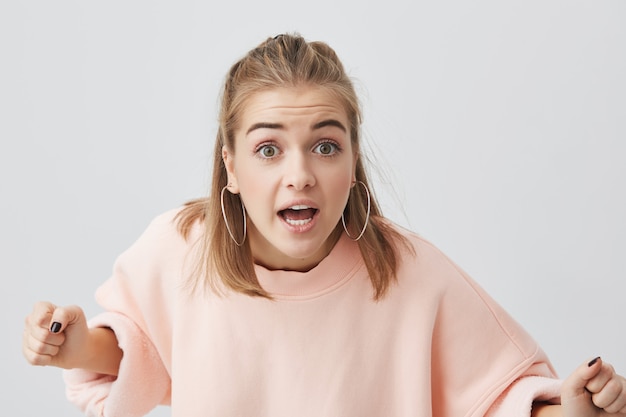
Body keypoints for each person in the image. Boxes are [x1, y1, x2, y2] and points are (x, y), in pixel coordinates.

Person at [23, 33, 626, 417]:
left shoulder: (411, 274)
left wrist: (570, 411)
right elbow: (140, 350)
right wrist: (66, 344)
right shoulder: (181, 249)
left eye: (326, 146)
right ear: (229, 165)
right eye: (268, 149)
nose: (300, 174)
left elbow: (496, 397)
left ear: (353, 161)